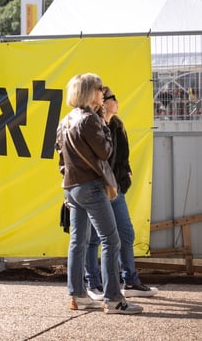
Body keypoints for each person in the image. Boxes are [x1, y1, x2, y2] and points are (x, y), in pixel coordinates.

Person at [55, 73, 143, 314]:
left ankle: (77, 295)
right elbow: (105, 151)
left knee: (78, 242)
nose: (102, 92)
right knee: (111, 240)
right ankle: (114, 300)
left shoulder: (65, 120)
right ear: (87, 92)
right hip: (91, 187)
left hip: (72, 187)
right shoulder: (90, 120)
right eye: (98, 88)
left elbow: (61, 159)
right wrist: (104, 124)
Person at [85, 86, 158, 300]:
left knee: (125, 234)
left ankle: (131, 281)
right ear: (101, 102)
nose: (117, 101)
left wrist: (124, 176)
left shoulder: (117, 125)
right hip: (95, 188)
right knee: (94, 239)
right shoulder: (91, 124)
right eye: (111, 98)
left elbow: (122, 157)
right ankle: (93, 283)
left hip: (114, 189)